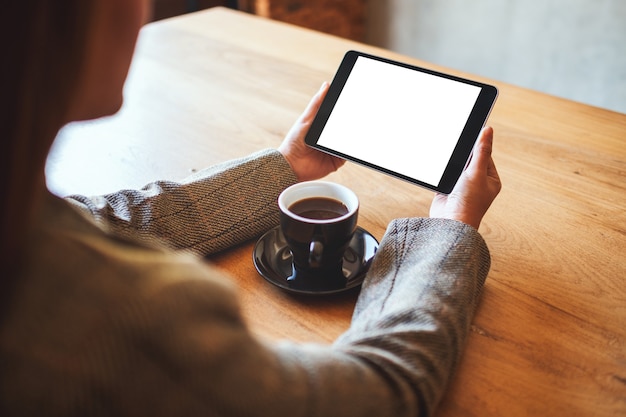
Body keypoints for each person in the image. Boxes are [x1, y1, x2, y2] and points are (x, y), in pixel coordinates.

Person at [0, 1, 501, 416]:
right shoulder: (126, 313)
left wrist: (288, 168)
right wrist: (448, 231)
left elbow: (113, 218)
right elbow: (375, 395)